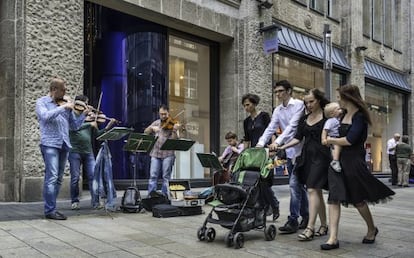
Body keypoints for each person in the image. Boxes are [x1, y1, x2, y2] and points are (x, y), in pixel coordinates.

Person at [322, 84, 395, 250]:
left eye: (340, 97)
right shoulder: (343, 115)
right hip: (338, 160)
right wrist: (333, 151)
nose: (338, 100)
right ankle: (333, 238)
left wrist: (331, 141)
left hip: (354, 162)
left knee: (358, 200)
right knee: (334, 198)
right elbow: (339, 136)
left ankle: (371, 228)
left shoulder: (360, 117)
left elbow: (350, 140)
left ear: (349, 97)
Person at [277, 88, 331, 241]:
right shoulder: (303, 119)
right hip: (306, 158)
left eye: (311, 101)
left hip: (322, 157)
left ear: (319, 100)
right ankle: (324, 225)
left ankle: (310, 227)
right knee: (317, 192)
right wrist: (282, 146)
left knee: (312, 189)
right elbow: (298, 138)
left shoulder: (327, 118)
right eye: (306, 102)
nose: (308, 105)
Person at [256, 79, 308, 234]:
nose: (278, 94)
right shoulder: (278, 110)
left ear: (289, 91)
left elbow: (292, 127)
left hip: (302, 150)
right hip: (290, 151)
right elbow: (271, 127)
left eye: (280, 91)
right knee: (299, 186)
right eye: (276, 92)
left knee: (294, 185)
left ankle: (293, 220)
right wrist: (260, 143)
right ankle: (306, 216)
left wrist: (277, 142)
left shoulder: (299, 105)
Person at [35, 78, 88, 220]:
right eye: (63, 90)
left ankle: (52, 208)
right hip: (50, 144)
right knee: (51, 177)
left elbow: (74, 126)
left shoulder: (66, 105)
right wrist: (63, 107)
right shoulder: (42, 102)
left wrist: (83, 115)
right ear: (54, 90)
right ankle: (50, 210)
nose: (66, 93)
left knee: (58, 179)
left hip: (64, 144)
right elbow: (45, 117)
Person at [68, 95, 117, 210]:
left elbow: (98, 136)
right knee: (75, 178)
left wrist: (108, 126)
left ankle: (95, 201)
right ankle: (74, 201)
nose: (87, 107)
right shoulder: (72, 116)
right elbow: (73, 128)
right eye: (85, 104)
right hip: (74, 151)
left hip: (88, 151)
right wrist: (88, 123)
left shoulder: (91, 118)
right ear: (78, 104)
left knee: (93, 176)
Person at [242, 93, 280, 221]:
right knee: (255, 182)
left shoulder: (264, 116)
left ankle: (273, 205)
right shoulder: (246, 121)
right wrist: (244, 155)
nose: (246, 107)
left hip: (267, 153)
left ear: (254, 103)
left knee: (264, 181)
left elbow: (272, 132)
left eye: (248, 104)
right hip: (254, 155)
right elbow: (247, 140)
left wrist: (273, 148)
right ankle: (261, 208)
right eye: (244, 105)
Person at [144, 104, 181, 197]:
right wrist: (151, 128)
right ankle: (151, 197)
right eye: (161, 114)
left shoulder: (173, 124)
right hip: (155, 153)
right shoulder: (156, 123)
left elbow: (175, 140)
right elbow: (145, 132)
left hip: (168, 154)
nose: (163, 116)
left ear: (168, 113)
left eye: (165, 114)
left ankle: (165, 197)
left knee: (166, 177)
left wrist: (175, 130)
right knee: (153, 176)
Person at [321, 102, 343, 172]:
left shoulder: (339, 119)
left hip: (338, 137)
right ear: (332, 113)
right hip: (333, 137)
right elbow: (325, 130)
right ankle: (335, 161)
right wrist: (323, 139)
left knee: (338, 148)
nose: (341, 110)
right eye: (338, 109)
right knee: (336, 147)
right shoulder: (330, 121)